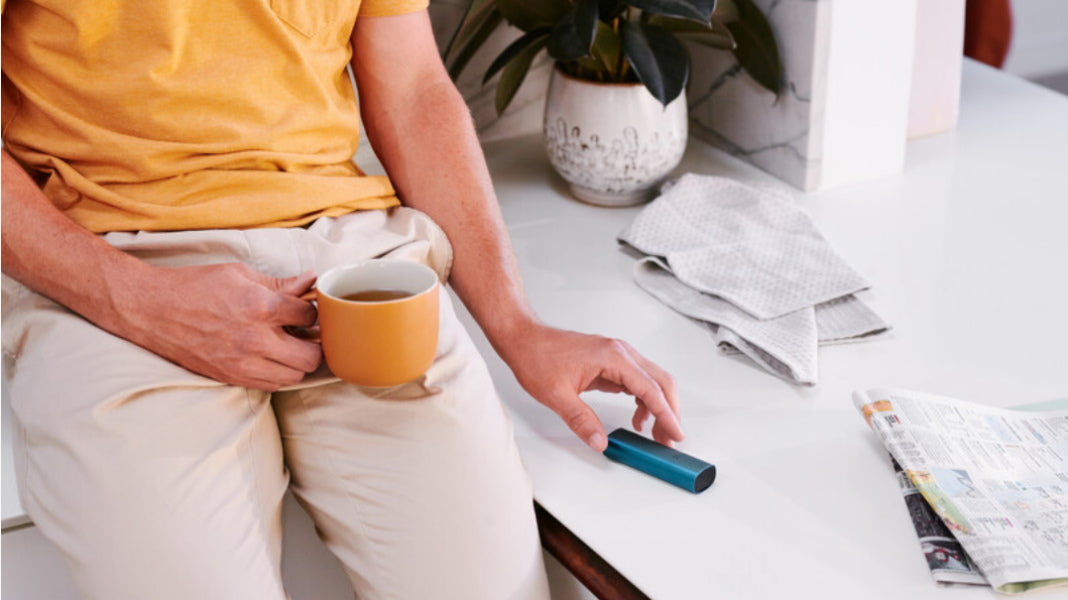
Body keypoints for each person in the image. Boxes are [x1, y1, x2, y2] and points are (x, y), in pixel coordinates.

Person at [0, 1, 684, 598]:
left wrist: (518, 326)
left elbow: (413, 86)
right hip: (116, 265)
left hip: (353, 257)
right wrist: (143, 302)